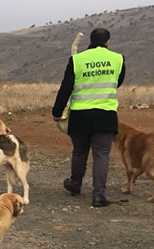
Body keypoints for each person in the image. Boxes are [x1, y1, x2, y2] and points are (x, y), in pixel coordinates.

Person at [52, 28, 126, 208]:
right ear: (108, 41)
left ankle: (75, 185)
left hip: (80, 115)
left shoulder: (77, 60)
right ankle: (99, 195)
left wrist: (57, 111)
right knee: (102, 155)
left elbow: (66, 88)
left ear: (90, 41)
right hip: (105, 115)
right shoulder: (118, 59)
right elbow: (119, 81)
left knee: (79, 152)